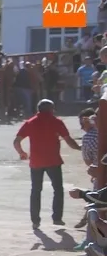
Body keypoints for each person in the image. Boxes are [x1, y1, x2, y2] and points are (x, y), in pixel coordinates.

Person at [12, 98, 81, 230]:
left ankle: (35, 220)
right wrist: (80, 148)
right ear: (51, 109)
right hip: (53, 161)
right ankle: (57, 218)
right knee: (58, 189)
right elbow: (68, 140)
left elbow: (16, 141)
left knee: (36, 191)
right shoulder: (57, 122)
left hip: (36, 161)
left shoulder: (30, 122)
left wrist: (22, 153)